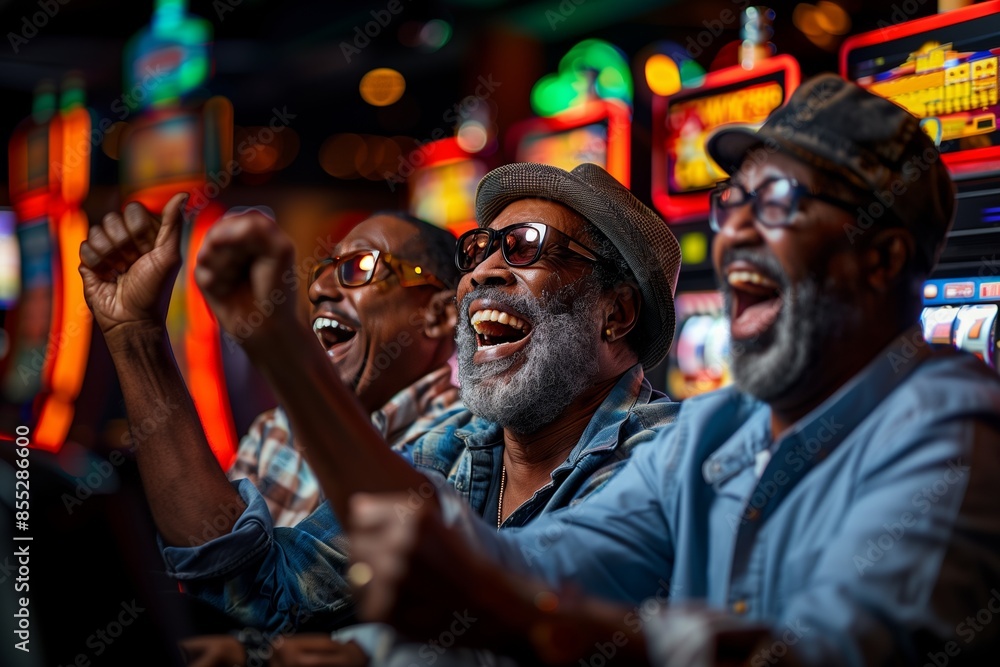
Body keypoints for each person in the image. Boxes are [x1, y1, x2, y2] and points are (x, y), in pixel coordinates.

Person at [344, 73, 1000, 666]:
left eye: (775, 201)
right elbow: (549, 558)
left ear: (880, 258)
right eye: (733, 201)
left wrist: (532, 619)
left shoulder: (952, 429)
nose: (736, 230)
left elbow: (834, 651)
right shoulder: (717, 429)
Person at [81, 162, 682, 650]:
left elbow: (530, 616)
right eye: (478, 249)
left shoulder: (671, 459)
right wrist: (135, 337)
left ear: (616, 314)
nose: (481, 273)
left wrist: (283, 350)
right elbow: (261, 590)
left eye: (525, 247)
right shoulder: (450, 446)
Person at [226, 210, 464, 528]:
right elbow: (209, 567)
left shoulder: (469, 442)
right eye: (325, 269)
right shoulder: (276, 429)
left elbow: (295, 575)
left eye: (361, 266)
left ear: (438, 316)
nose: (319, 290)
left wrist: (278, 349)